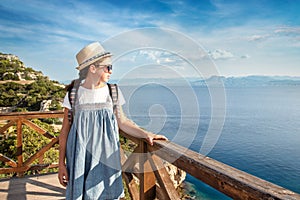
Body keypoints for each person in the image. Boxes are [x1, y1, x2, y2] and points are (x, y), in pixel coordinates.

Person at [58, 41, 167, 200]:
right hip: (79, 156)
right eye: (107, 67)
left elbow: (122, 122)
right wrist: (61, 164)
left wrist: (146, 134)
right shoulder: (73, 94)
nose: (111, 70)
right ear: (93, 68)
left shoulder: (112, 91)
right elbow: (64, 131)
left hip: (106, 155)